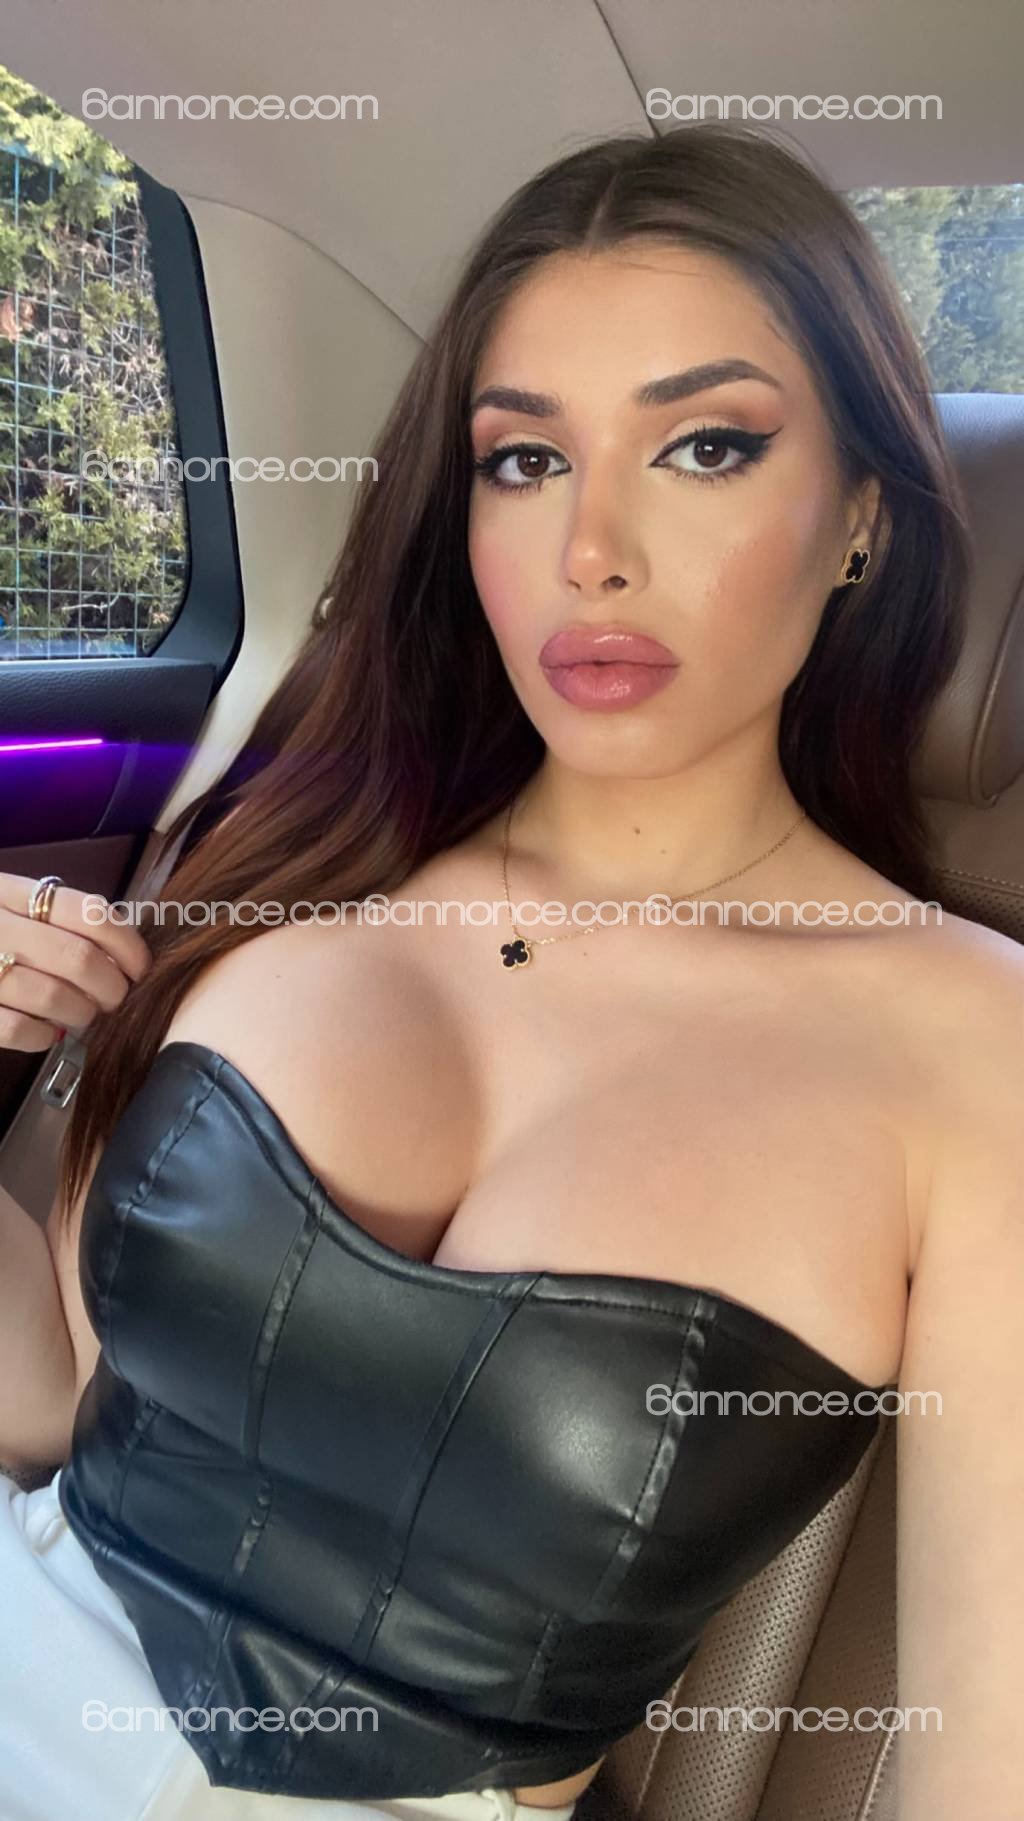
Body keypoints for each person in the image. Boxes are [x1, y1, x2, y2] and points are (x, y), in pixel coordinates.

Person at [0, 121, 1020, 1821]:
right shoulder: (292, 855)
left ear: (860, 514)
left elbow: (987, 1756)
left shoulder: (975, 1046)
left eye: (706, 447)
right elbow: (58, 1402)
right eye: (525, 459)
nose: (591, 549)